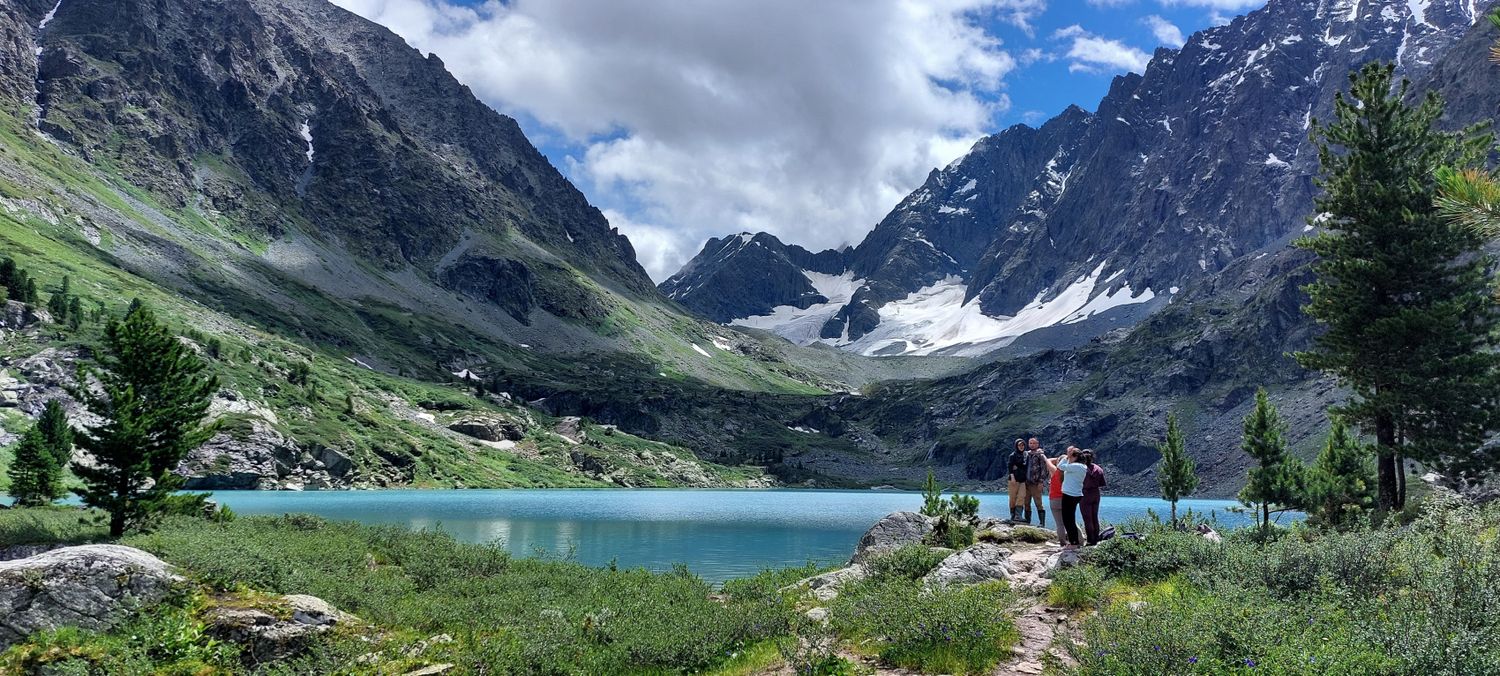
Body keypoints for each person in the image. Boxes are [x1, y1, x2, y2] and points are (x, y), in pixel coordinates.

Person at [1055, 447, 1088, 549]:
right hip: (1073, 494)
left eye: (1071, 455)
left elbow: (1060, 466)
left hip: (1070, 495)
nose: (1069, 457)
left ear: (1076, 456)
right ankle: (1073, 542)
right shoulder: (1079, 466)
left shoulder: (1076, 466)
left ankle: (1073, 543)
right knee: (1069, 519)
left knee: (1068, 520)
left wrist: (1066, 457)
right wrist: (1069, 457)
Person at [1079, 449, 1108, 546]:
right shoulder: (1098, 469)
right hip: (1096, 494)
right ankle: (1096, 538)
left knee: (1087, 518)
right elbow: (1102, 483)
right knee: (1094, 517)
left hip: (1085, 494)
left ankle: (1090, 540)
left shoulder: (1081, 468)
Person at [1045, 448, 1073, 546]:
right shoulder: (1070, 473)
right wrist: (1067, 458)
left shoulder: (1054, 471)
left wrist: (1059, 459)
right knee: (1070, 522)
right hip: (1067, 499)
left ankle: (1062, 543)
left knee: (1059, 524)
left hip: (1054, 500)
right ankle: (1078, 541)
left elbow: (1048, 460)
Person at [1024, 437, 1048, 527]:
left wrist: (1041, 482)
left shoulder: (1040, 455)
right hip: (1026, 483)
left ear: (1037, 444)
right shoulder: (1026, 454)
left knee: (1038, 503)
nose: (1032, 445)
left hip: (1036, 483)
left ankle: (1042, 523)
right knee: (1026, 503)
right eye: (1030, 443)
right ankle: (1027, 521)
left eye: (1034, 443)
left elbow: (1044, 469)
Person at [1006, 438, 1028, 522]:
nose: (1021, 447)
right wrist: (1012, 477)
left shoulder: (1025, 455)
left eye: (1023, 445)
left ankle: (1018, 515)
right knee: (1013, 497)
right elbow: (1010, 466)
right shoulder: (1012, 455)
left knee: (1021, 496)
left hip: (1022, 479)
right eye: (1019, 445)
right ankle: (1013, 515)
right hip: (1014, 479)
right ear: (1016, 446)